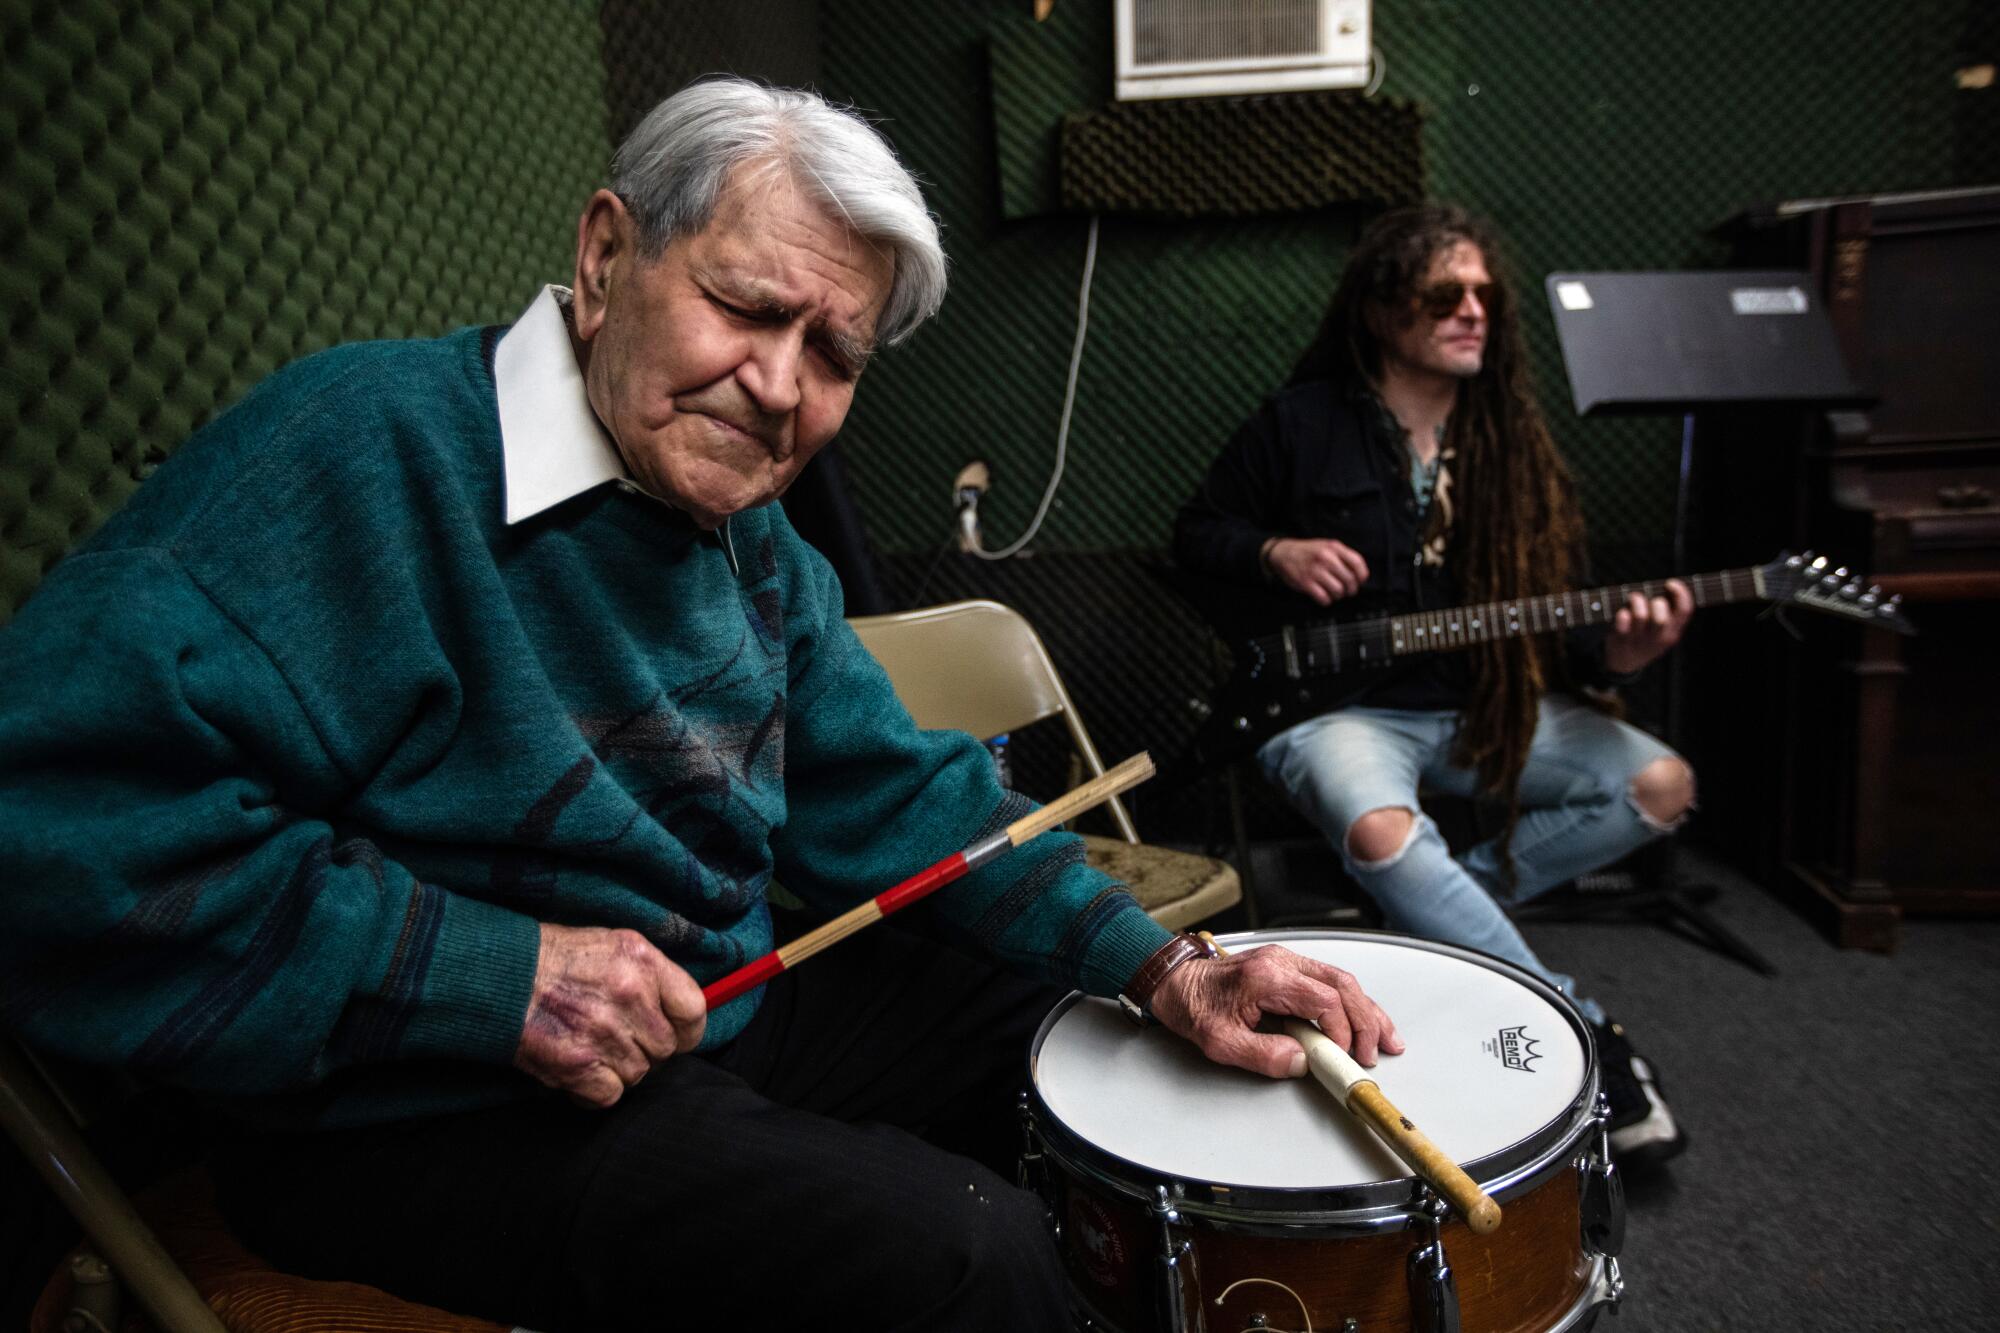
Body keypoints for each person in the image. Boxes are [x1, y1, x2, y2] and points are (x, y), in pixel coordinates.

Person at [0, 78, 1402, 1330]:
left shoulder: (754, 545)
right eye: (745, 307)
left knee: (1077, 1057)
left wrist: (1161, 967)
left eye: (834, 355)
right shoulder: (354, 456)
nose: (781, 386)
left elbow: (898, 796)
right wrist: (498, 977)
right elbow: (46, 836)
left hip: (707, 1014)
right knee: (968, 1257)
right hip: (409, 1104)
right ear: (607, 256)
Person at [1173, 203, 1690, 1167]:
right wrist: (1274, 550)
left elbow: (1565, 628)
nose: (1471, 309)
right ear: (1380, 308)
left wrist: (1620, 658)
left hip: (1482, 709)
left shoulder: (1513, 445)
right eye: (1443, 292)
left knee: (1661, 783)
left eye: (1484, 293)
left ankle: (1424, 913)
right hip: (1336, 714)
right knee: (1382, 834)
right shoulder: (1299, 423)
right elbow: (1195, 538)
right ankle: (1582, 1027)